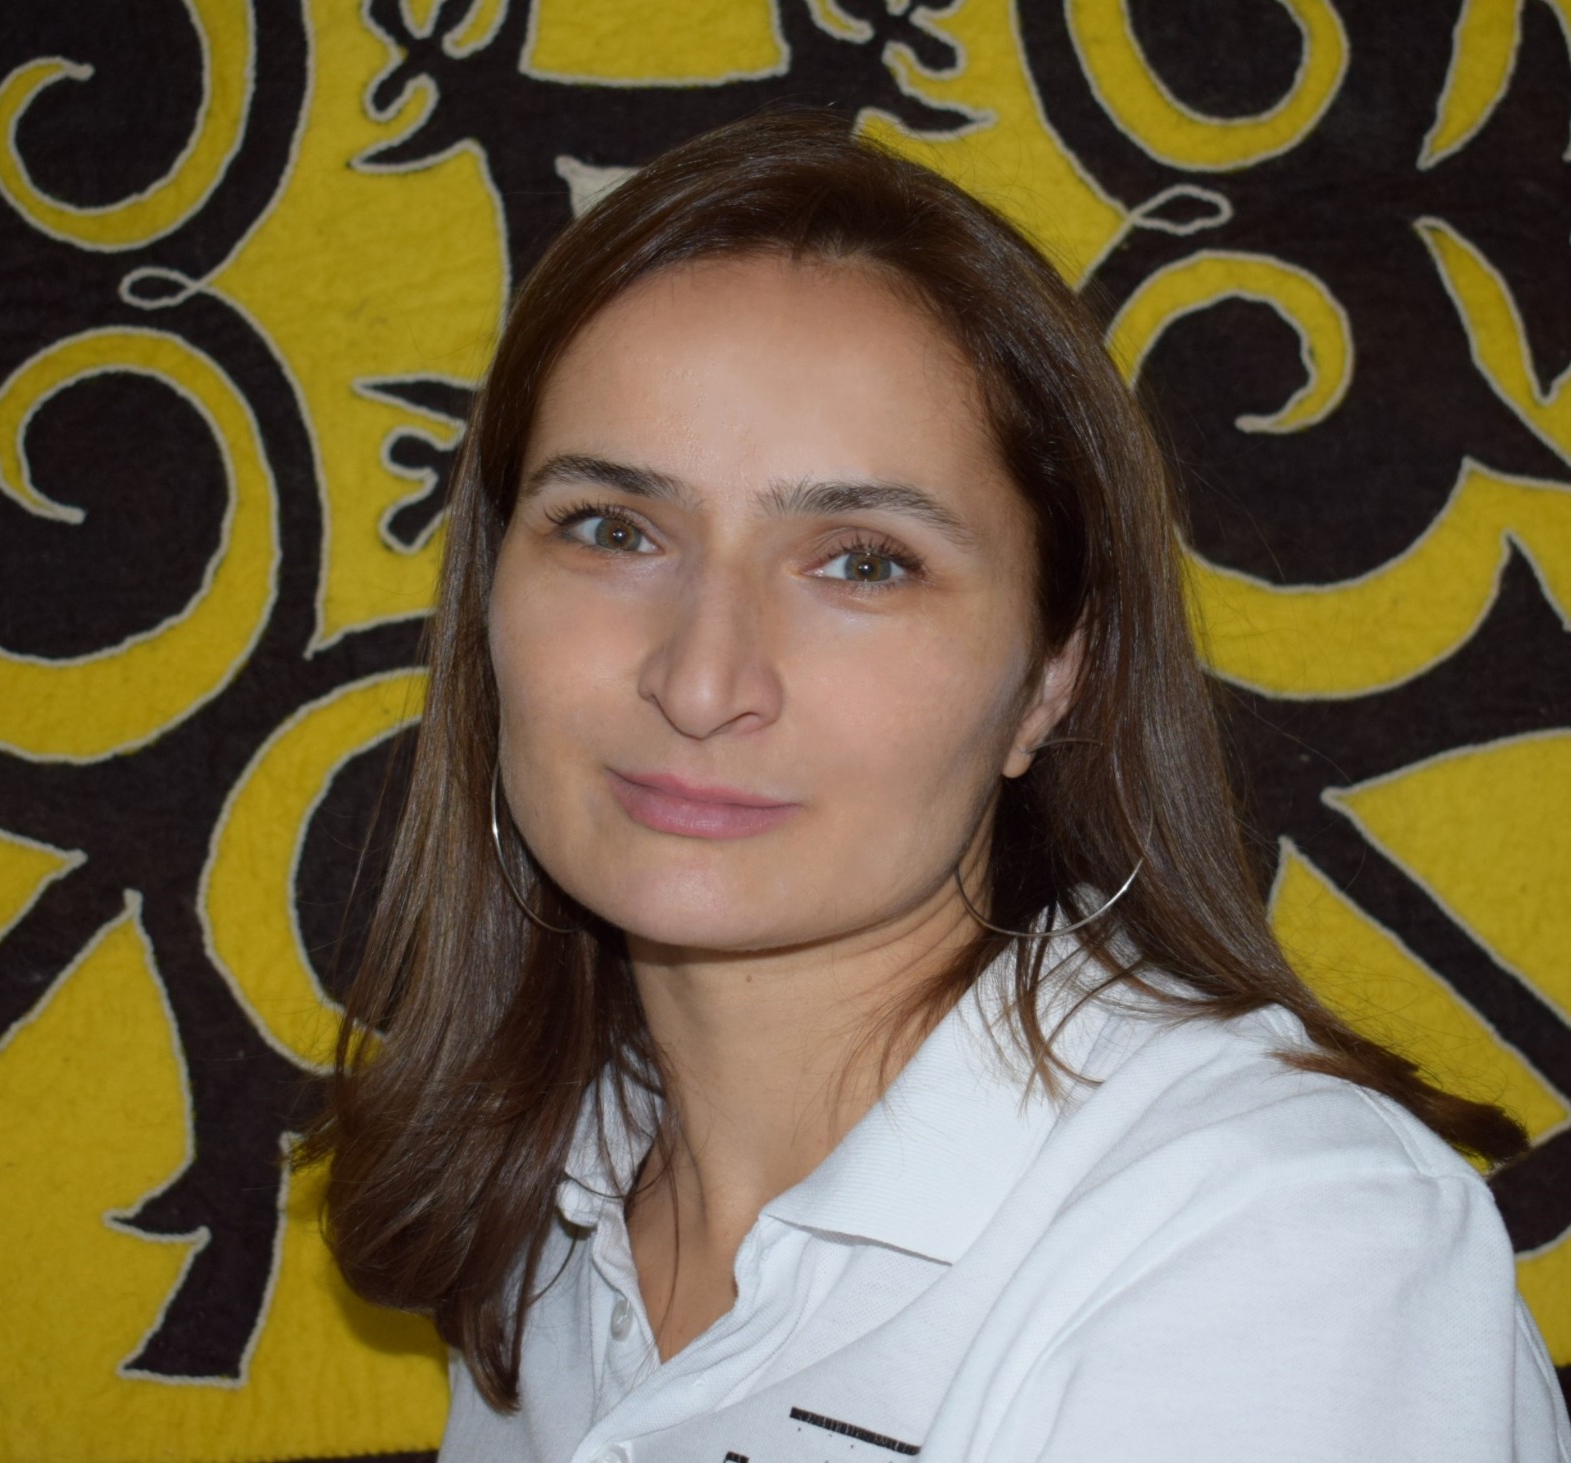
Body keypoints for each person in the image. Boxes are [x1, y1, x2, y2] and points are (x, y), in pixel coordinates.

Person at [304, 110, 1570, 1461]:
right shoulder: (551, 1211)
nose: (702, 679)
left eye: (863, 561)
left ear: (1053, 675)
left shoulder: (1283, 1242)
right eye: (613, 530)